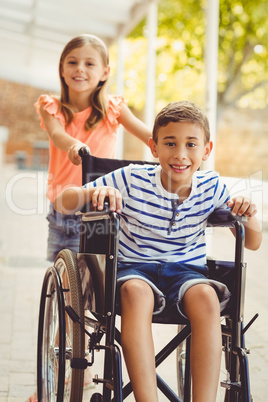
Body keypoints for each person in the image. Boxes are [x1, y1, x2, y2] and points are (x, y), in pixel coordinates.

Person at [54, 101, 262, 402]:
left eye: (191, 144)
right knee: (137, 293)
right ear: (153, 147)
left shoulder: (212, 186)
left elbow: (253, 242)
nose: (180, 154)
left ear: (206, 150)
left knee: (207, 297)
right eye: (170, 143)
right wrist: (93, 192)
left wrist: (249, 212)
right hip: (132, 269)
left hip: (188, 273)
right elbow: (63, 201)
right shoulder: (129, 178)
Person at [34, 33, 151, 263]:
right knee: (66, 278)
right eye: (72, 62)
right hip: (63, 208)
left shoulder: (113, 109)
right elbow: (57, 135)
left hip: (99, 207)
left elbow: (148, 136)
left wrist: (171, 148)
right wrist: (74, 144)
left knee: (96, 277)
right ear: (62, 68)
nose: (80, 69)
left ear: (105, 73)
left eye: (89, 64)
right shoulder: (51, 106)